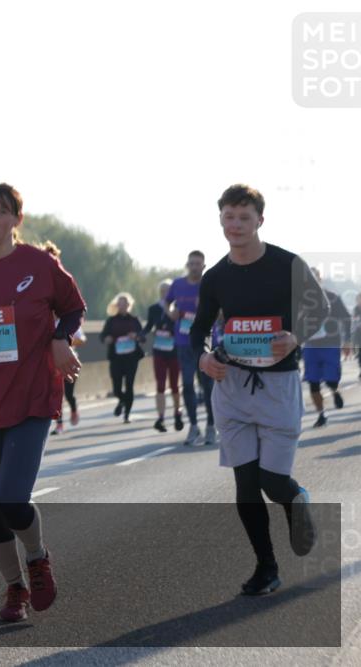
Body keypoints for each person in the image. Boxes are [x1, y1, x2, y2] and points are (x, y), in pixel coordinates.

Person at [0, 183, 85, 622]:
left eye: (2, 211)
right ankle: (15, 588)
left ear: (16, 220)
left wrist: (61, 339)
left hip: (31, 398)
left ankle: (37, 556)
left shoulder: (39, 264)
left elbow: (73, 308)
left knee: (10, 499)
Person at [194, 184, 329, 596]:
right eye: (229, 217)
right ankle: (266, 568)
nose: (235, 225)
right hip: (232, 386)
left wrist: (295, 337)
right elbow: (199, 329)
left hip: (278, 385)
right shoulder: (215, 276)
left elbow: (320, 309)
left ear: (259, 221)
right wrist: (202, 358)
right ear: (221, 219)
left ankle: (295, 497)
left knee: (273, 482)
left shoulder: (288, 264)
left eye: (244, 218)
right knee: (246, 485)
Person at [167, 250, 216, 445]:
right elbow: (167, 303)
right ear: (187, 265)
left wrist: (207, 307)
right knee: (187, 384)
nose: (195, 267)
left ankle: (211, 425)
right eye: (192, 264)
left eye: (198, 264)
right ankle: (194, 426)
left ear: (203, 266)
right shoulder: (177, 284)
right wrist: (171, 312)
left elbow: (222, 310)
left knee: (207, 386)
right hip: (183, 341)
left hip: (205, 341)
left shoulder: (210, 284)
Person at [41, 242, 84, 436]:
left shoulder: (66, 309)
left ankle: (73, 408)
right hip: (45, 362)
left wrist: (63, 341)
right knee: (52, 392)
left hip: (65, 358)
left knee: (69, 394)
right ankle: (58, 423)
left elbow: (80, 337)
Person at [301, 268, 352, 428]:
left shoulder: (332, 297)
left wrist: (347, 341)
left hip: (330, 344)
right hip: (310, 346)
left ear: (319, 280)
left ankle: (334, 391)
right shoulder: (300, 299)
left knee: (331, 380)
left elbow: (346, 318)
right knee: (313, 382)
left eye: (313, 278)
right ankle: (321, 414)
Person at [143, 279, 183, 432]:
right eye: (162, 291)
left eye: (168, 291)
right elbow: (148, 326)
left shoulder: (178, 308)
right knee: (160, 385)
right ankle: (160, 418)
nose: (165, 294)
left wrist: (173, 332)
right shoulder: (154, 309)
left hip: (174, 351)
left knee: (174, 385)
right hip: (159, 351)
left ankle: (177, 413)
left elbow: (184, 326)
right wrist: (141, 334)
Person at [99, 293, 144, 423]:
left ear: (129, 305)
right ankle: (122, 400)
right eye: (120, 303)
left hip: (131, 358)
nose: (122, 306)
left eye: (124, 303)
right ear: (117, 305)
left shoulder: (134, 320)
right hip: (116, 358)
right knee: (116, 389)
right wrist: (107, 338)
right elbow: (102, 336)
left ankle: (127, 415)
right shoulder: (111, 321)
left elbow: (143, 337)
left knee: (129, 385)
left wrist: (135, 336)